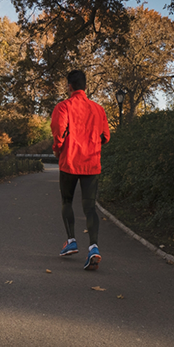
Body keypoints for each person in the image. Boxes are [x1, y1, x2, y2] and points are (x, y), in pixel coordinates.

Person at [51, 70, 110, 270]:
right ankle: (94, 247)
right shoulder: (98, 109)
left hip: (69, 161)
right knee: (90, 207)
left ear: (70, 86)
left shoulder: (63, 107)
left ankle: (71, 241)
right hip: (91, 164)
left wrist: (58, 150)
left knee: (66, 200)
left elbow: (59, 133)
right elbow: (105, 136)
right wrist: (92, 145)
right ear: (85, 86)